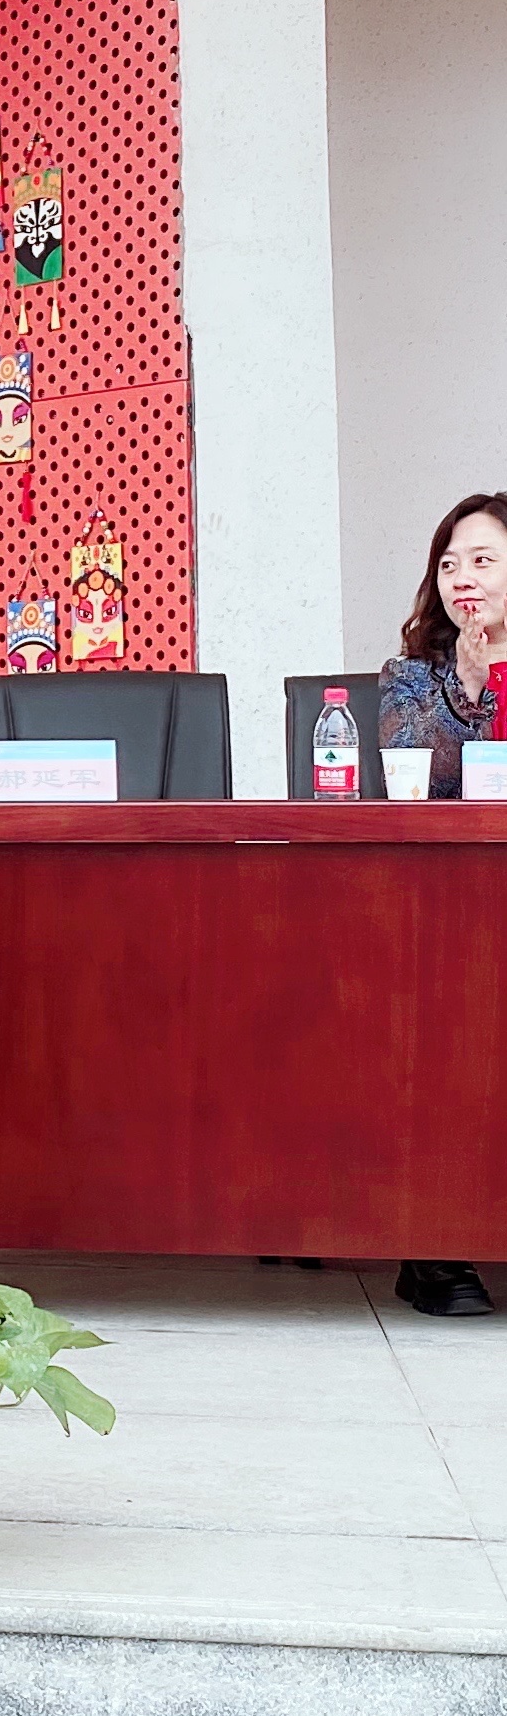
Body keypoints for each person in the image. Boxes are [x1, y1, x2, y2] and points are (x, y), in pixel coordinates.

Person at [376, 490, 507, 1318]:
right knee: (445, 1020)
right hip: (446, 908)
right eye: (448, 563)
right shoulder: (410, 677)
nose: (461, 576)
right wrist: (467, 680)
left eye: (482, 560)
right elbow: (414, 780)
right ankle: (433, 1242)